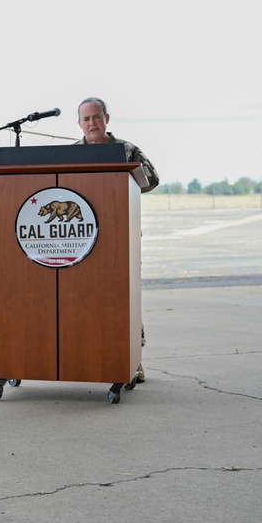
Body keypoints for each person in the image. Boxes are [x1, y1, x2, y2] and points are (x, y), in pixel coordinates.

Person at [76, 96, 159, 382]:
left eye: (96, 117)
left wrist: (126, 174)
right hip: (83, 240)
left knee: (125, 298)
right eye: (86, 119)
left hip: (120, 233)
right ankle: (89, 355)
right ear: (80, 124)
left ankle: (134, 360)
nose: (92, 123)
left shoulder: (125, 150)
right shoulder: (71, 152)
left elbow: (152, 179)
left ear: (106, 119)